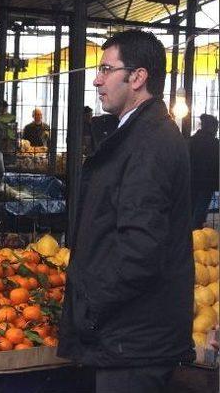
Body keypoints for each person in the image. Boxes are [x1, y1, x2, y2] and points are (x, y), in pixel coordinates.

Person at [58, 30, 194, 393]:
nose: (97, 79)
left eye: (106, 69)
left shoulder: (149, 143)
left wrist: (91, 304)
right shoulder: (133, 135)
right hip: (129, 336)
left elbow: (140, 248)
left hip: (135, 339)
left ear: (137, 77)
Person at [189, 113, 219, 229]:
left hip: (192, 181)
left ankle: (189, 234)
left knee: (191, 209)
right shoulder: (215, 144)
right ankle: (196, 235)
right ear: (212, 127)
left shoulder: (192, 141)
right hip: (207, 183)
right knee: (200, 212)